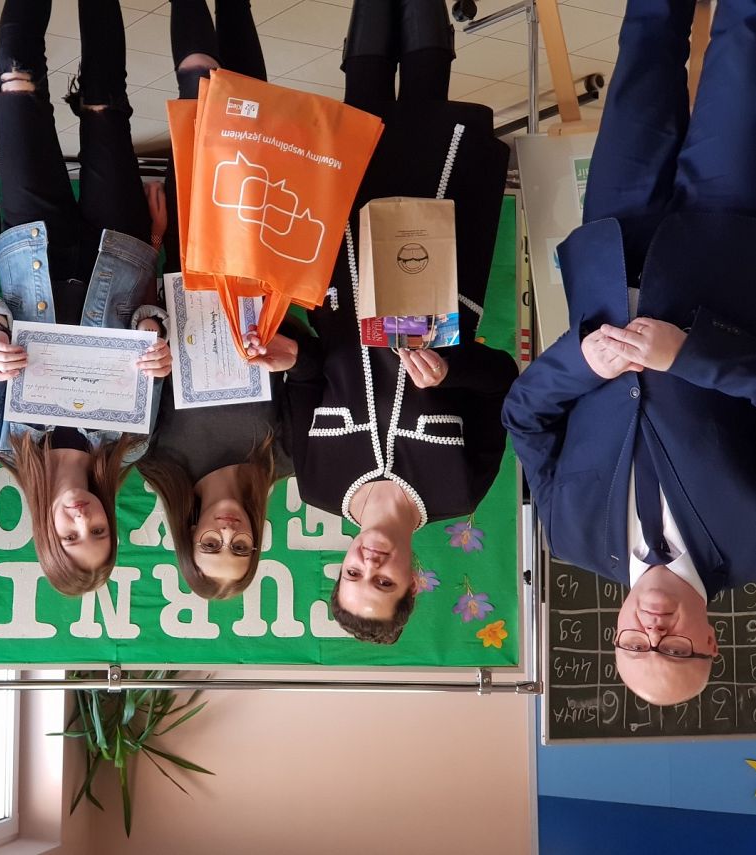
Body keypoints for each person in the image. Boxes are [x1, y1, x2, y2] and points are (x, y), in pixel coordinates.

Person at [502, 0, 756, 705]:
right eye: (673, 650)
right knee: (746, 41)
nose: (653, 631)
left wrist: (582, 363)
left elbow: (525, 417)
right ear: (710, 642)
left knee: (646, 42)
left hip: (616, 242)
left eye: (634, 645)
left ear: (613, 633)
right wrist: (689, 357)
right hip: (725, 239)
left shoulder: (570, 534)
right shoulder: (754, 539)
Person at [257, 0, 517, 643]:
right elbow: (504, 381)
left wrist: (291, 358)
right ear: (413, 580)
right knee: (427, 104)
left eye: (352, 576)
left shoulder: (316, 483)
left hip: (342, 268)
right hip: (438, 265)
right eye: (384, 583)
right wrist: (449, 370)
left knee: (362, 111)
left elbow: (309, 375)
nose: (369, 565)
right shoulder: (461, 491)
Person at [0, 0, 171, 596]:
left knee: (15, 80)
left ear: (45, 532)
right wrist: (154, 337)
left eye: (69, 536)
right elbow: (149, 320)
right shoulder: (132, 442)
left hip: (32, 251)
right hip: (120, 251)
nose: (82, 519)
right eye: (99, 531)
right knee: (105, 102)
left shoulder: (3, 439)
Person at [137, 0, 293, 600]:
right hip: (267, 260)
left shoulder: (157, 458)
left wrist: (154, 246)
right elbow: (307, 360)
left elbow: (140, 336)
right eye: (240, 548)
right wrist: (285, 350)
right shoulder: (282, 459)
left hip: (192, 254)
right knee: (253, 110)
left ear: (189, 535)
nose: (228, 534)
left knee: (201, 91)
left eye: (211, 545)